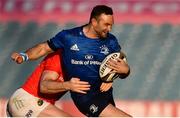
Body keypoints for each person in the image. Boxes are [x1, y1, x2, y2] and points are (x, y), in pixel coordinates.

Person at [11, 5, 131, 117]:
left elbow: (115, 66)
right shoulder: (62, 50)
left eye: (111, 25)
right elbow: (44, 82)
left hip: (99, 95)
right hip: (28, 100)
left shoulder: (110, 42)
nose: (109, 29)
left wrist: (117, 75)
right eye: (106, 24)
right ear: (94, 22)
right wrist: (24, 56)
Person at [8, 50, 92, 117]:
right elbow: (44, 86)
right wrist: (68, 85)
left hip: (37, 104)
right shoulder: (59, 56)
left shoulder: (86, 65)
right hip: (26, 100)